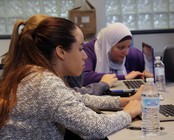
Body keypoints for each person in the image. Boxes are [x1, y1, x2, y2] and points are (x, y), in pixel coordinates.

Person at [0, 17, 142, 139]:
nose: (85, 56)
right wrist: (128, 113)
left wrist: (125, 101)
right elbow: (96, 128)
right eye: (80, 49)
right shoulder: (44, 83)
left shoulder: (34, 73)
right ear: (61, 52)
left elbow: (79, 98)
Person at [1, 14, 117, 96]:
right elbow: (70, 97)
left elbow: (72, 95)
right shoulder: (40, 78)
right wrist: (103, 85)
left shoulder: (24, 66)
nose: (84, 55)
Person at [83, 22, 153, 86]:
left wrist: (148, 74)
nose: (126, 52)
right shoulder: (89, 51)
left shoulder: (133, 54)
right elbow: (84, 77)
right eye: (121, 48)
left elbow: (155, 70)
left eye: (128, 46)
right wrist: (124, 77)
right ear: (108, 46)